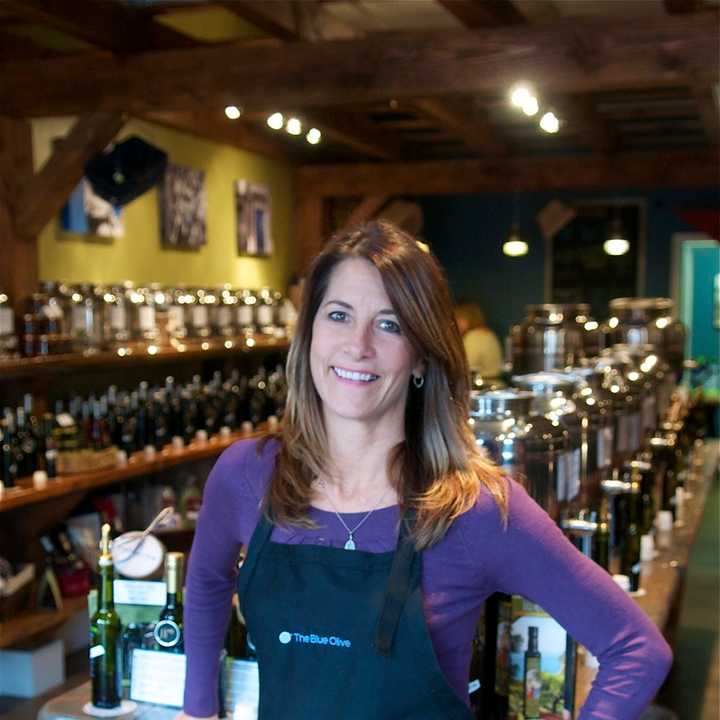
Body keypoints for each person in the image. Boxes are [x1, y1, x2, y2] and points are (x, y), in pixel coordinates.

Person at [180, 221, 671, 719]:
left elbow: (637, 649)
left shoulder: (478, 510)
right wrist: (197, 709)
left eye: (389, 324)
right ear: (308, 335)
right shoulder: (247, 474)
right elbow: (206, 581)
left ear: (421, 356)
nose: (358, 344)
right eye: (338, 315)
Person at [454, 301, 504, 379]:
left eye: (458, 318)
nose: (456, 323)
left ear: (467, 318)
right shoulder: (488, 334)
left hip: (484, 384)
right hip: (496, 383)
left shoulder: (473, 337)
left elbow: (467, 367)